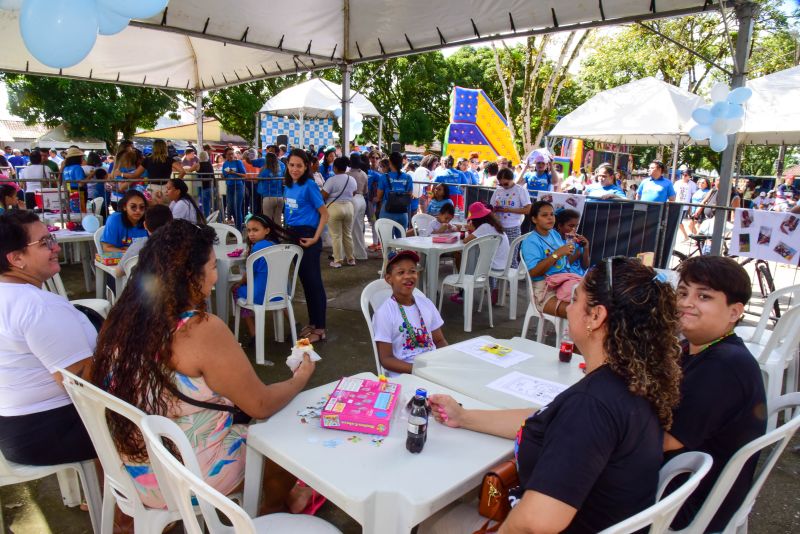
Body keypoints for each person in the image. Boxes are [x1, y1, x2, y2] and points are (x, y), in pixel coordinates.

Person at [423, 257, 682, 533]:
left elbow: (534, 523)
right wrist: (463, 416)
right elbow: (546, 418)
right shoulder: (636, 379)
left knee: (434, 521)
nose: (568, 308)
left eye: (575, 299)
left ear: (596, 316)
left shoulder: (591, 405)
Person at [91, 220, 317, 512]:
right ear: (189, 275)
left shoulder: (119, 319)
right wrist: (300, 378)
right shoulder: (201, 330)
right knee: (281, 438)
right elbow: (260, 404)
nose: (216, 276)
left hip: (134, 473)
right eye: (212, 267)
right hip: (190, 479)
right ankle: (272, 512)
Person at [667, 256, 766, 531]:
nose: (687, 302)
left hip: (688, 500)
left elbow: (664, 441)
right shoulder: (698, 349)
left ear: (734, 312)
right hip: (695, 483)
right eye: (683, 292)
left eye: (704, 296)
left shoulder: (723, 366)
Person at [0, 210, 97, 466]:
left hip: (15, 428)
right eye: (44, 243)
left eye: (51, 238)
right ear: (16, 258)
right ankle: (132, 501)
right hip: (49, 429)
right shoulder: (37, 306)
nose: (55, 247)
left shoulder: (9, 295)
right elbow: (83, 383)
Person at [372, 250, 448, 376]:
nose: (408, 276)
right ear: (389, 279)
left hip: (433, 367)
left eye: (412, 271)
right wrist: (419, 370)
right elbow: (386, 359)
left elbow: (439, 341)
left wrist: (447, 361)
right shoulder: (384, 313)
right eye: (401, 272)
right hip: (406, 374)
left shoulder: (426, 304)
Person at [284, 149, 329, 343]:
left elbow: (324, 214)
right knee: (305, 283)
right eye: (292, 165)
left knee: (314, 283)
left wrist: (315, 238)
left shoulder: (309, 185)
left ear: (306, 167)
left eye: (299, 166)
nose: (295, 169)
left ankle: (320, 328)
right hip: (292, 235)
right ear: (287, 165)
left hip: (309, 237)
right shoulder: (288, 184)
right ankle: (313, 322)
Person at [231, 214, 292, 344]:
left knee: (236, 289)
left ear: (267, 230)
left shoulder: (257, 248)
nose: (251, 234)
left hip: (260, 296)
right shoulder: (276, 246)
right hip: (282, 294)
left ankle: (254, 334)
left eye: (255, 230)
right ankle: (294, 324)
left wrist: (240, 283)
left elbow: (248, 275)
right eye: (249, 230)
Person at [520, 201, 584, 318]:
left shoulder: (554, 234)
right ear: (534, 219)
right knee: (581, 313)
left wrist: (576, 249)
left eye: (552, 214)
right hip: (544, 290)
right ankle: (567, 335)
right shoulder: (530, 241)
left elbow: (564, 263)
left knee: (595, 303)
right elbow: (533, 272)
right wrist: (556, 254)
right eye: (544, 215)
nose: (550, 218)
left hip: (563, 282)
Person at [463, 202, 510, 301]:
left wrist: (470, 230)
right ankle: (491, 289)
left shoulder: (484, 227)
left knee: (470, 256)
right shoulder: (494, 225)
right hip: (504, 264)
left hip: (494, 265)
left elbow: (466, 240)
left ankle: (464, 291)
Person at [116, 204, 173, 276]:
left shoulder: (138, 246)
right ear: (171, 224)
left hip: (142, 286)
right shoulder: (181, 246)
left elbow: (118, 272)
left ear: (145, 225)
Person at [490, 168, 531, 268]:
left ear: (512, 179)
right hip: (497, 227)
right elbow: (490, 207)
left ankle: (511, 281)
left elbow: (528, 210)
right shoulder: (498, 190)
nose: (503, 186)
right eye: (501, 184)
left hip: (512, 227)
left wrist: (509, 210)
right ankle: (495, 283)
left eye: (506, 184)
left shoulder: (520, 190)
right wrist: (494, 210)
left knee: (511, 257)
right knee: (495, 257)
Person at [322, 157, 357, 268]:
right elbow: (354, 192)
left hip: (334, 208)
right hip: (349, 207)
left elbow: (324, 195)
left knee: (336, 236)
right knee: (347, 234)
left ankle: (337, 261)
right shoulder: (352, 179)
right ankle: (351, 259)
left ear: (335, 168)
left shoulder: (332, 180)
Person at [127, 139, 185, 205]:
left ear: (153, 148)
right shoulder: (169, 160)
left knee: (152, 212)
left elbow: (135, 175)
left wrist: (122, 174)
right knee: (167, 211)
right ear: (164, 148)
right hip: (166, 189)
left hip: (151, 189)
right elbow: (182, 171)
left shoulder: (148, 160)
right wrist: (175, 184)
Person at [377, 152, 415, 231]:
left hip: (387, 212)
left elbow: (379, 197)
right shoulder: (408, 177)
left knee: (386, 240)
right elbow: (409, 194)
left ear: (390, 162)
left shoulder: (384, 177)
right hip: (402, 213)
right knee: (401, 241)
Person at [347, 153, 369, 261]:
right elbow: (366, 191)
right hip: (362, 200)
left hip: (352, 200)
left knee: (348, 228)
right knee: (359, 228)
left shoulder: (348, 174)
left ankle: (345, 254)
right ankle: (361, 254)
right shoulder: (364, 174)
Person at [555, 208, 590, 276]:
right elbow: (562, 267)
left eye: (576, 226)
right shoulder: (554, 241)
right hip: (563, 276)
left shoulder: (577, 241)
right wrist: (577, 253)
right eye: (571, 226)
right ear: (559, 226)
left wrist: (586, 248)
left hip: (580, 276)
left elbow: (586, 266)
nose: (574, 229)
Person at [222, 147, 248, 228]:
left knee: (237, 208)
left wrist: (234, 173)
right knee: (231, 208)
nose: (231, 155)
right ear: (225, 155)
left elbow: (244, 175)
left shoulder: (238, 162)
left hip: (238, 186)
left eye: (232, 153)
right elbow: (224, 175)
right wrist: (224, 175)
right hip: (229, 187)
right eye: (229, 154)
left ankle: (239, 229)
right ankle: (235, 226)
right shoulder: (225, 163)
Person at [257, 152, 285, 225]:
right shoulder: (279, 171)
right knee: (278, 221)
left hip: (268, 197)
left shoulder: (264, 171)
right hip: (280, 197)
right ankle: (279, 236)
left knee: (267, 221)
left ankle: (270, 236)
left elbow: (257, 180)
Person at [674, 168, 698, 240]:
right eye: (682, 174)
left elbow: (693, 196)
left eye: (685, 175)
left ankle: (687, 236)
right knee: (677, 222)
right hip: (676, 204)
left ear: (689, 176)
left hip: (685, 206)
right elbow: (674, 194)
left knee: (679, 221)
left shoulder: (692, 184)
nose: (683, 176)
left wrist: (691, 208)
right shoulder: (677, 183)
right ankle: (685, 236)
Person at [196, 150, 216, 217]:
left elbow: (189, 170)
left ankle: (206, 221)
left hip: (204, 187)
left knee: (206, 207)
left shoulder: (198, 165)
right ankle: (218, 220)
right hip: (213, 186)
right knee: (215, 206)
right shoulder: (210, 164)